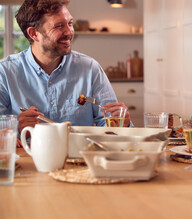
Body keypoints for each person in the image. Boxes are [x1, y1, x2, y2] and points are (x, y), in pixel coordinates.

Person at [0, 0, 132, 140]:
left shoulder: (90, 69)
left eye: (70, 23)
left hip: (79, 158)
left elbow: (107, 126)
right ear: (34, 33)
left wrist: (122, 124)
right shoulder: (5, 72)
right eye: (59, 26)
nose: (69, 32)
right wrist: (16, 128)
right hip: (27, 158)